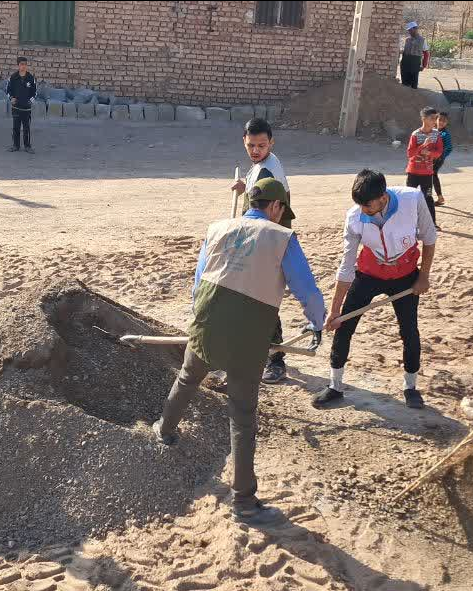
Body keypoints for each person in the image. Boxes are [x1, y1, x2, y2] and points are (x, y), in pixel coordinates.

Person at [153, 178, 325, 524]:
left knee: (187, 378)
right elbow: (306, 290)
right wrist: (318, 322)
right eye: (281, 212)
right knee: (243, 416)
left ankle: (164, 431)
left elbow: (198, 282)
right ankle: (244, 502)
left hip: (206, 323)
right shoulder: (282, 238)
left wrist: (202, 319)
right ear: (276, 207)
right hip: (248, 337)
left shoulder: (218, 228)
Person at [313, 169, 436, 410]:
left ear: (383, 198)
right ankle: (335, 385)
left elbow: (429, 238)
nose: (363, 211)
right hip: (369, 273)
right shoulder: (355, 217)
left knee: (409, 330)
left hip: (405, 275)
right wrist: (335, 310)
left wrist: (423, 276)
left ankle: (410, 387)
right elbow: (347, 265)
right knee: (345, 325)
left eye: (367, 206)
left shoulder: (412, 200)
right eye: (359, 206)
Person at [229, 118, 294, 384]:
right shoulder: (262, 165)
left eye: (261, 145)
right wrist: (245, 189)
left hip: (269, 242)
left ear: (271, 143)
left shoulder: (268, 171)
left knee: (264, 301)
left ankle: (276, 359)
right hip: (260, 238)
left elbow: (269, 215)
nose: (255, 150)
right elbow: (257, 195)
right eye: (251, 145)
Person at [406, 107, 443, 228]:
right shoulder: (415, 134)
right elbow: (410, 153)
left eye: (436, 118)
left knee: (428, 198)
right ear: (424, 119)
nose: (435, 121)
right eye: (432, 118)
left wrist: (430, 154)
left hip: (427, 173)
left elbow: (439, 152)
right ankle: (408, 224)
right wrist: (423, 146)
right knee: (409, 199)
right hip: (413, 172)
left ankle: (432, 223)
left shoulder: (436, 134)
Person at [6, 56, 37, 153]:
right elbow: (8, 90)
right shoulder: (13, 77)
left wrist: (31, 101)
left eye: (25, 64)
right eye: (21, 64)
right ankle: (16, 145)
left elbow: (35, 92)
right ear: (18, 65)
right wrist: (11, 98)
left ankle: (27, 146)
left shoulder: (30, 78)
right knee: (16, 127)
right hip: (16, 107)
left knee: (26, 127)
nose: (23, 66)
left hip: (26, 108)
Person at [398, 21, 430, 89]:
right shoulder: (407, 40)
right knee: (404, 83)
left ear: (415, 29)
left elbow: (426, 54)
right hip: (405, 62)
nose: (409, 32)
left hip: (415, 63)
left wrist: (423, 65)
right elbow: (404, 51)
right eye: (409, 30)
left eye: (411, 30)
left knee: (413, 83)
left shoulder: (422, 40)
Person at [432, 110, 453, 207]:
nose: (441, 122)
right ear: (436, 119)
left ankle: (439, 198)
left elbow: (449, 148)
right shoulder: (433, 131)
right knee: (431, 176)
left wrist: (441, 156)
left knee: (432, 175)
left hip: (438, 159)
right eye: (440, 119)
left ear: (447, 122)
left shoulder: (445, 134)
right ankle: (439, 198)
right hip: (431, 158)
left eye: (444, 121)